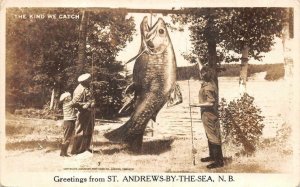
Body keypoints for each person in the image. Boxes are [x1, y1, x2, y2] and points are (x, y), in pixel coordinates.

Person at [196, 66, 224, 169]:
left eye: (201, 73)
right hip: (207, 114)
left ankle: (218, 161)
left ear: (204, 75)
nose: (200, 75)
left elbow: (211, 102)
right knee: (210, 135)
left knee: (213, 136)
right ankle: (212, 156)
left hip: (209, 114)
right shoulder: (210, 84)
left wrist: (196, 105)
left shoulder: (208, 87)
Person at [70, 73, 96, 155]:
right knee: (80, 131)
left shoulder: (87, 88)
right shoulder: (79, 90)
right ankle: (76, 151)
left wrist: (92, 102)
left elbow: (91, 98)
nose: (90, 81)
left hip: (89, 112)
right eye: (89, 80)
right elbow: (74, 103)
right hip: (82, 113)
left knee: (89, 130)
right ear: (84, 81)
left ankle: (86, 148)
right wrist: (86, 104)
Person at [59, 92, 76, 157]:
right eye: (69, 96)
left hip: (69, 121)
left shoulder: (67, 104)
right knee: (67, 137)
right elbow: (75, 101)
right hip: (69, 122)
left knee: (67, 137)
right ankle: (63, 153)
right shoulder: (69, 104)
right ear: (66, 99)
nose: (70, 97)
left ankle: (63, 152)